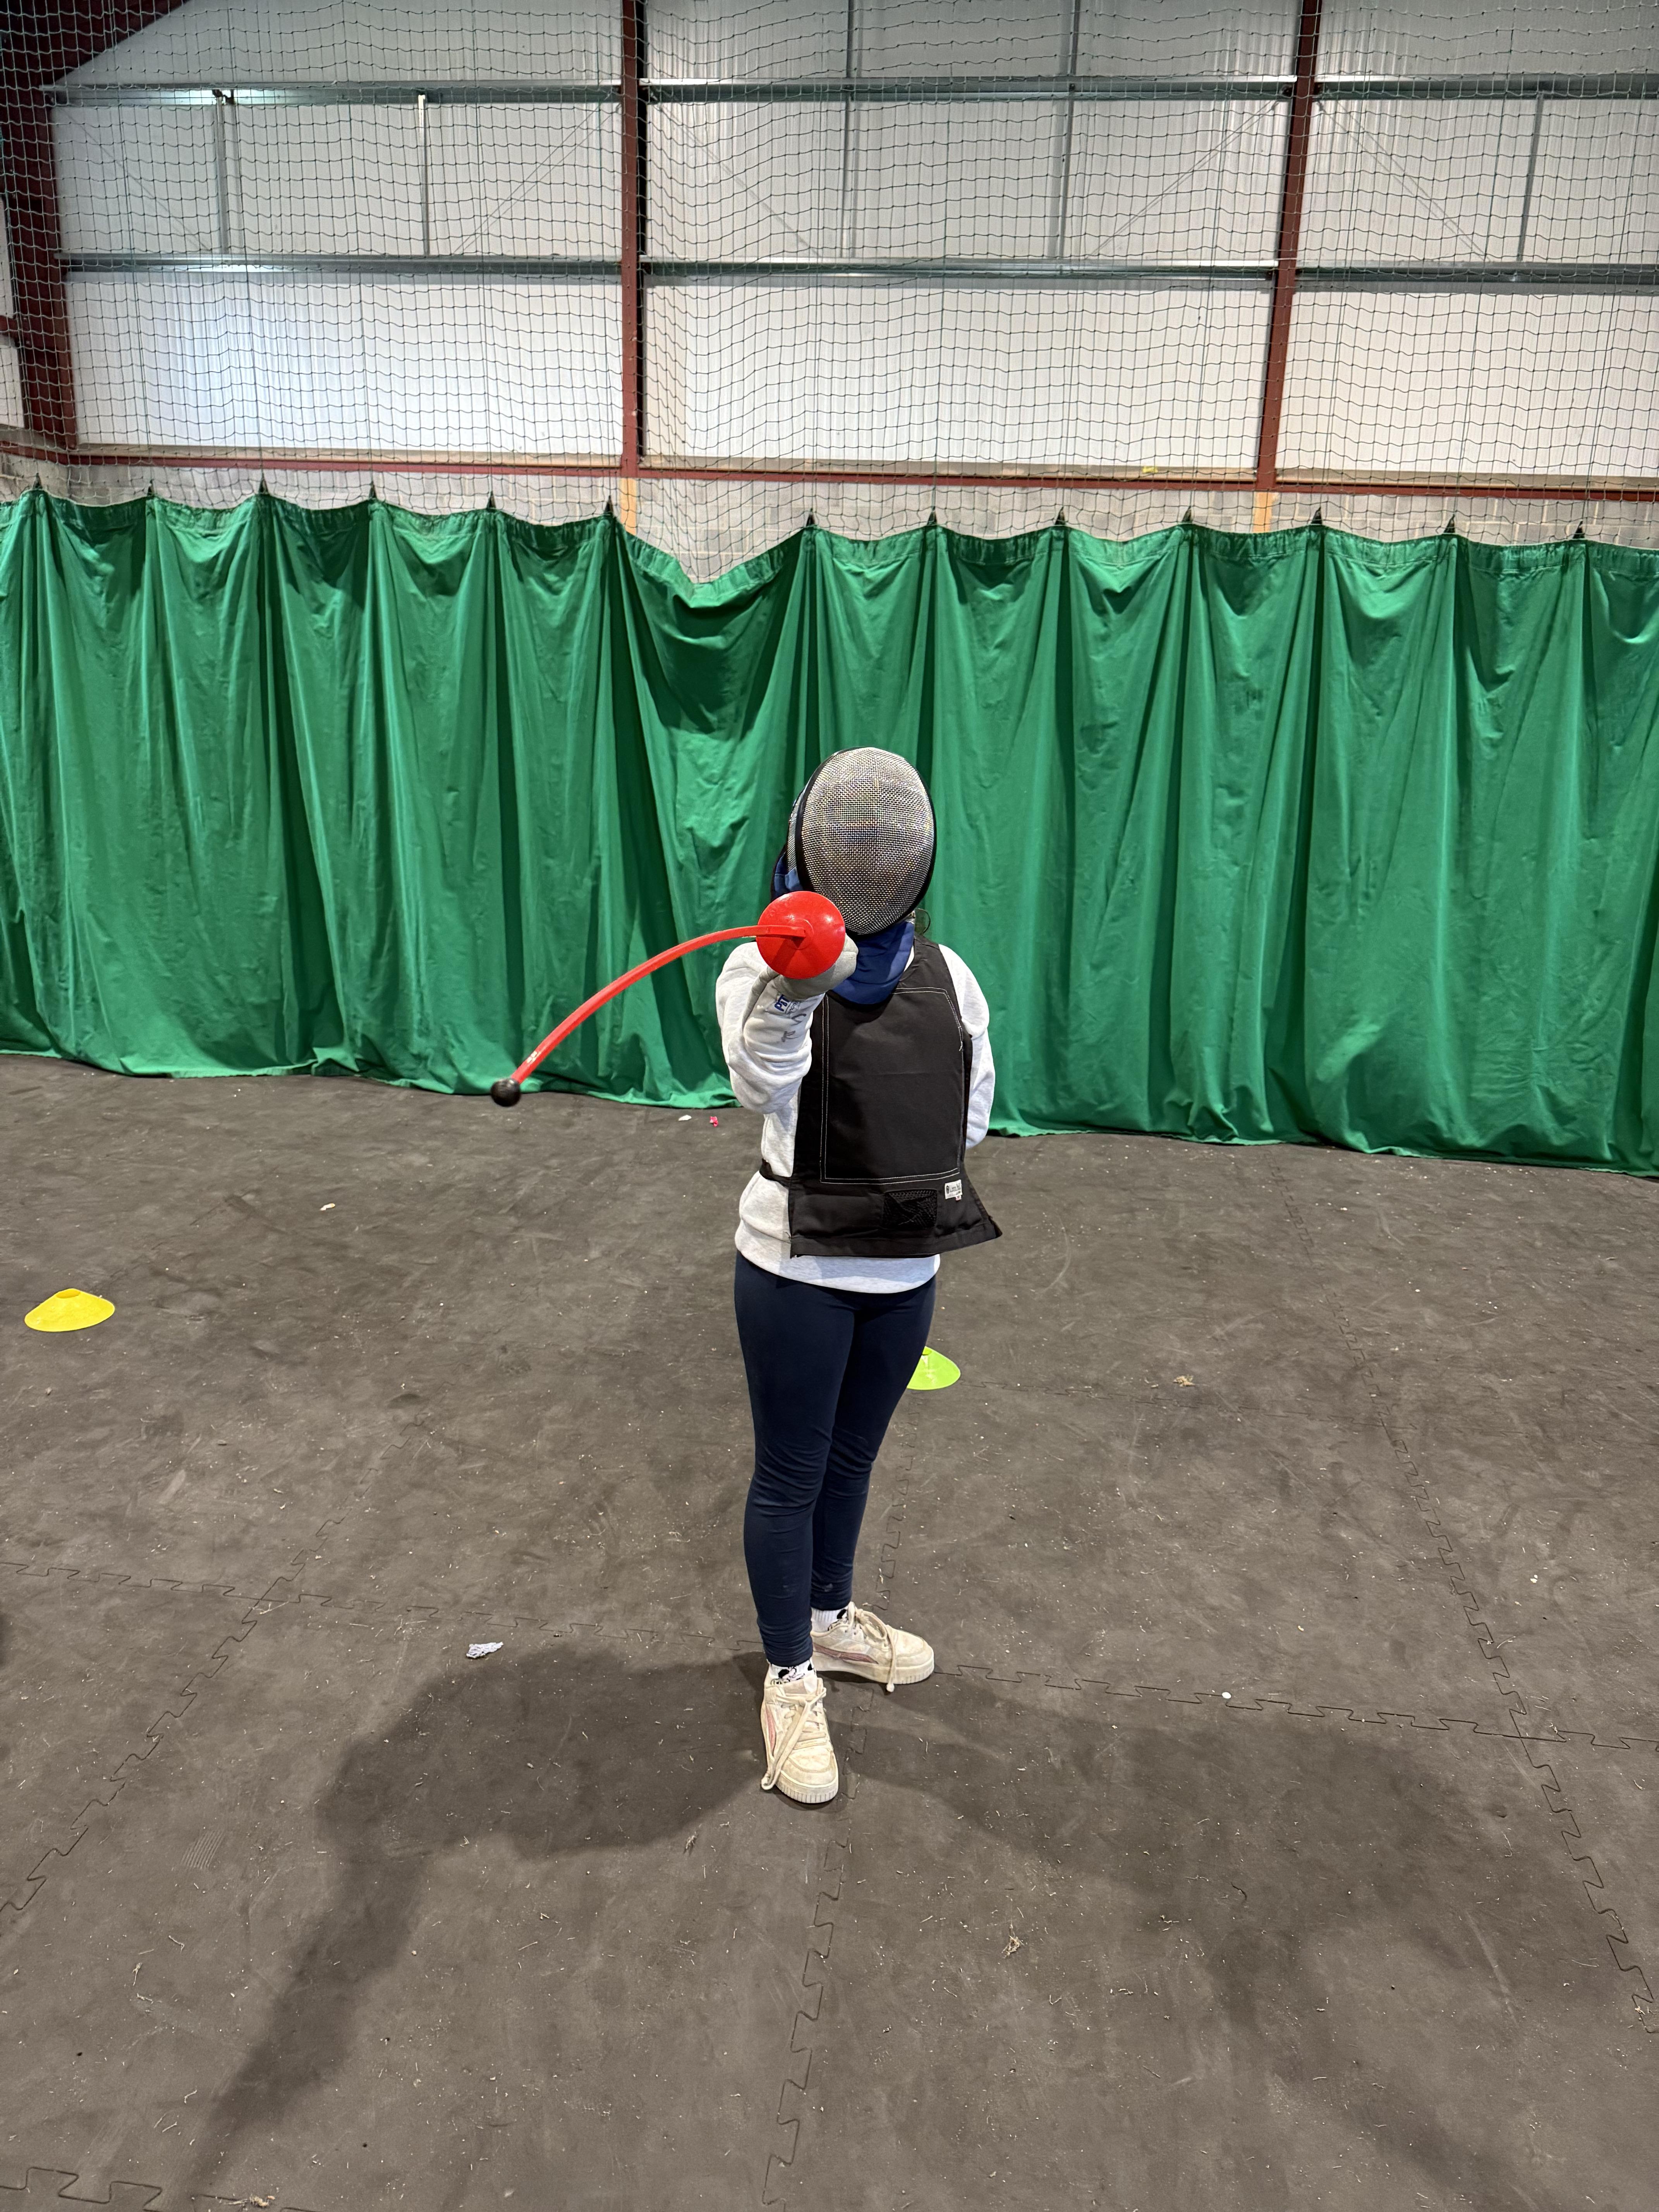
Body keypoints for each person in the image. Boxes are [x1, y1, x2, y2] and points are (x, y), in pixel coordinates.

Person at [716, 748, 999, 1805]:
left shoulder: (951, 976)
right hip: (793, 1269)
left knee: (850, 1463)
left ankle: (830, 1621)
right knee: (790, 1474)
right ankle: (788, 1675)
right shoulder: (756, 969)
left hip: (904, 1269)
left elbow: (969, 1121)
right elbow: (759, 1087)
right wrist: (797, 990)